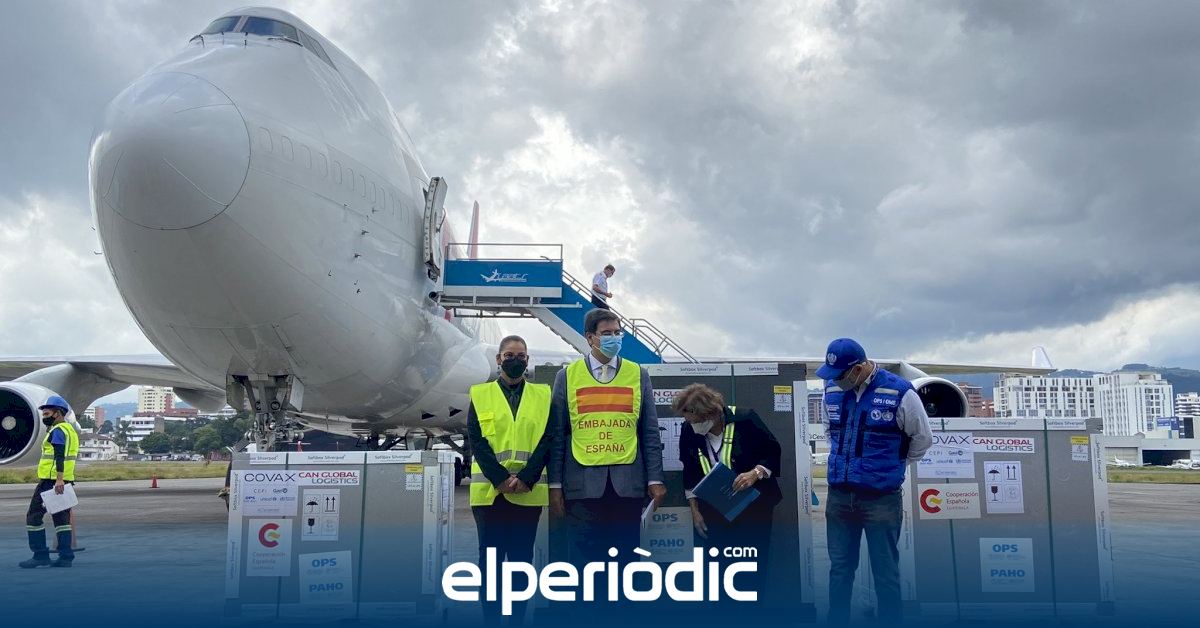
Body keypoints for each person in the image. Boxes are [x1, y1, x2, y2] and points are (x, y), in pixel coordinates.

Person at [818, 338, 932, 624]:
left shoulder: (900, 392)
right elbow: (830, 432)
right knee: (840, 568)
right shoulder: (831, 390)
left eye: (840, 375)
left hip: (880, 498)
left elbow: (922, 438)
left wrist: (891, 467)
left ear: (857, 370)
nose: (835, 381)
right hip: (839, 495)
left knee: (885, 571)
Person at [548, 308, 665, 565]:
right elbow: (557, 435)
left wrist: (655, 478)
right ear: (590, 338)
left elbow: (649, 431)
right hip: (581, 488)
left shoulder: (638, 374)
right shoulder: (566, 376)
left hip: (628, 487)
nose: (614, 338)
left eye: (617, 333)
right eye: (607, 333)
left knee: (625, 562)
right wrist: (555, 486)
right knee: (585, 565)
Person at [466, 336, 552, 626]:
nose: (516, 360)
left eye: (521, 356)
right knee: (490, 564)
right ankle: (491, 620)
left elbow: (548, 439)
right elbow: (477, 441)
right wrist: (501, 479)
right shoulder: (480, 394)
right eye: (509, 355)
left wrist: (527, 477)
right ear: (498, 359)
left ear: (528, 360)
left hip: (528, 491)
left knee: (520, 563)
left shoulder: (542, 395)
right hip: (490, 494)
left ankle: (515, 620)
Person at [674, 383, 781, 599]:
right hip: (714, 509)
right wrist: (694, 510)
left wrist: (755, 473)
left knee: (751, 566)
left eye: (695, 421)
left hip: (754, 508)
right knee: (718, 569)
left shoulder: (745, 419)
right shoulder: (688, 429)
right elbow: (689, 469)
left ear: (711, 414)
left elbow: (772, 451)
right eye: (688, 421)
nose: (691, 426)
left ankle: (751, 611)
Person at [21, 395, 79, 568]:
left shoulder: (58, 431)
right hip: (64, 480)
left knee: (33, 516)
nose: (44, 417)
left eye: (47, 414)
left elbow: (59, 456)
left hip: (51, 481)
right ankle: (66, 557)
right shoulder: (70, 430)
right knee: (61, 520)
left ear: (57, 413)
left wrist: (58, 479)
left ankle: (40, 555)